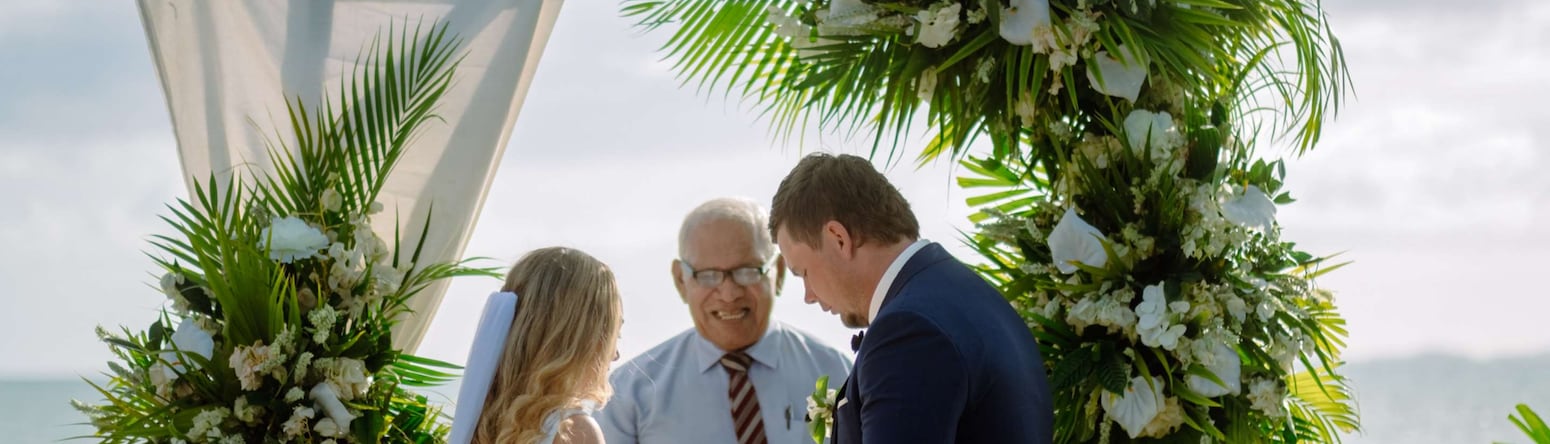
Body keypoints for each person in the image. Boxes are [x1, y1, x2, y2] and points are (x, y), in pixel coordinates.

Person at [770, 153, 1054, 444]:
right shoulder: (975, 301)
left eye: (803, 272)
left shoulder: (908, 330)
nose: (808, 295)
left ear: (838, 238)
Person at [599, 197, 852, 444]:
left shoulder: (837, 373)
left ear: (779, 273)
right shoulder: (629, 395)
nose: (729, 294)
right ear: (680, 280)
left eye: (747, 272)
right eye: (708, 275)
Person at [450, 247, 624, 444]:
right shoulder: (574, 431)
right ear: (578, 341)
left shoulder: (479, 418)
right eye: (612, 336)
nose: (615, 355)